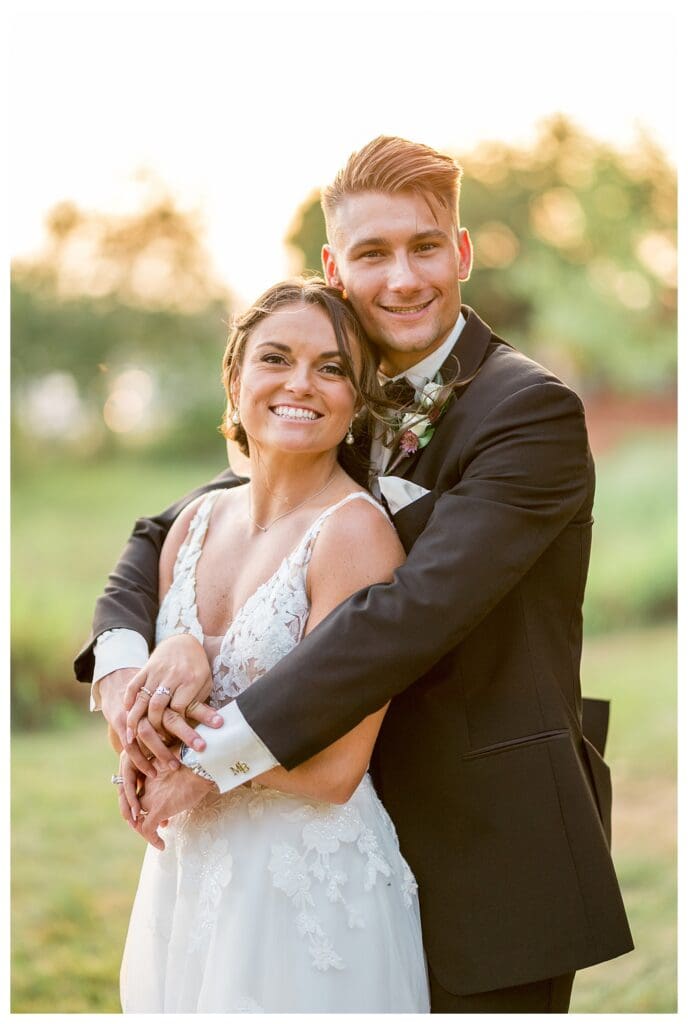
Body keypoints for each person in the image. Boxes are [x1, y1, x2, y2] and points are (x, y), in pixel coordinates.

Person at [76, 136, 633, 1013]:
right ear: (336, 266)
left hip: (484, 839)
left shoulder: (530, 413)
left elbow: (407, 613)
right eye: (372, 253)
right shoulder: (334, 393)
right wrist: (130, 666)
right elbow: (167, 529)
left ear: (462, 252)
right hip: (336, 833)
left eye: (423, 246)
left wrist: (206, 757)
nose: (402, 279)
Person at [113, 279, 430, 1013]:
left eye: (331, 368)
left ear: (358, 397)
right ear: (235, 377)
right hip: (189, 871)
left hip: (306, 891)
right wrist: (177, 652)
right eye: (276, 358)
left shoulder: (354, 535)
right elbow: (159, 695)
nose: (300, 384)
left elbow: (334, 771)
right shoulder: (192, 525)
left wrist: (181, 758)